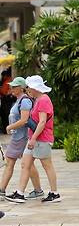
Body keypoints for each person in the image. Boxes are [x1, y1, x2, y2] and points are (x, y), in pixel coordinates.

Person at [5, 75, 59, 204]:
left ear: (35, 88)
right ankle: (20, 193)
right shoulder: (38, 99)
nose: (28, 89)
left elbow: (42, 122)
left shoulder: (43, 100)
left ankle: (55, 193)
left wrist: (33, 138)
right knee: (25, 164)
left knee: (47, 165)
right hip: (34, 138)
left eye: (29, 86)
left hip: (42, 138)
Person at [0, 77, 43, 199]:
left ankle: (1, 190)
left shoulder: (24, 101)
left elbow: (24, 120)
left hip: (21, 137)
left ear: (21, 88)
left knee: (10, 161)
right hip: (19, 137)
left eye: (14, 87)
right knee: (27, 164)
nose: (11, 89)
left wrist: (9, 127)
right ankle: (38, 190)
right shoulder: (19, 100)